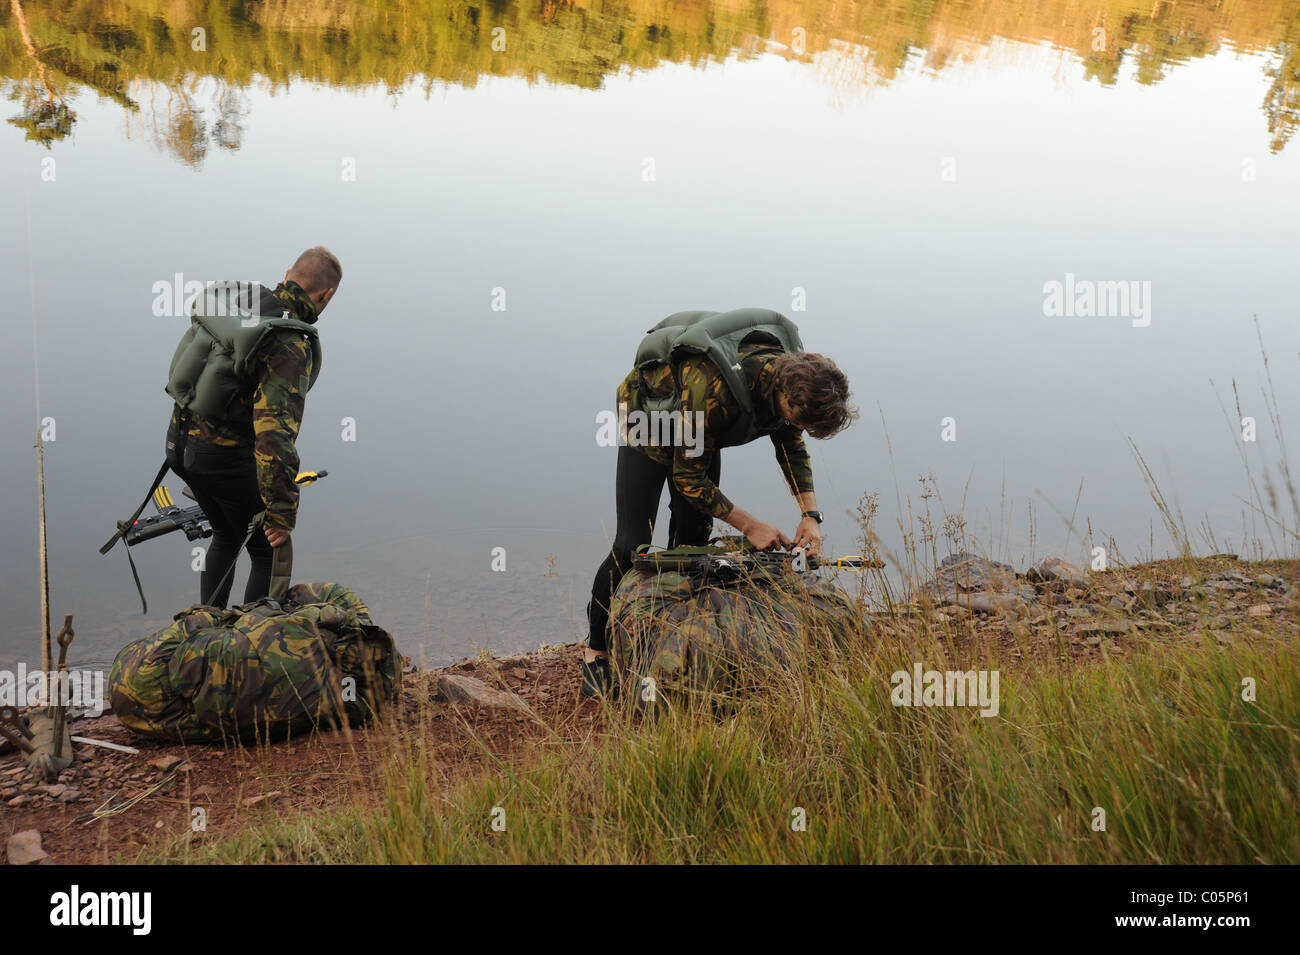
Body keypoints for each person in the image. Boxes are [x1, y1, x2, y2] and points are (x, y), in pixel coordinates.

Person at [583, 308, 857, 697]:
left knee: (694, 537)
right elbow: (688, 478)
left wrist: (810, 516)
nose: (801, 429)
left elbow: (790, 443)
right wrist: (750, 526)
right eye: (800, 419)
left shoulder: (793, 386)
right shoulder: (714, 388)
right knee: (632, 545)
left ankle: (664, 641)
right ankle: (596, 653)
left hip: (700, 426)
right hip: (651, 418)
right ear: (784, 395)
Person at [162, 246, 341, 608]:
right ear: (327, 295)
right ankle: (249, 647)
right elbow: (273, 435)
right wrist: (281, 509)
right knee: (268, 548)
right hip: (222, 459)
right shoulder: (289, 343)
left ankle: (206, 631)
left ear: (289, 272)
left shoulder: (244, 304)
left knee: (227, 536)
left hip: (180, 446)